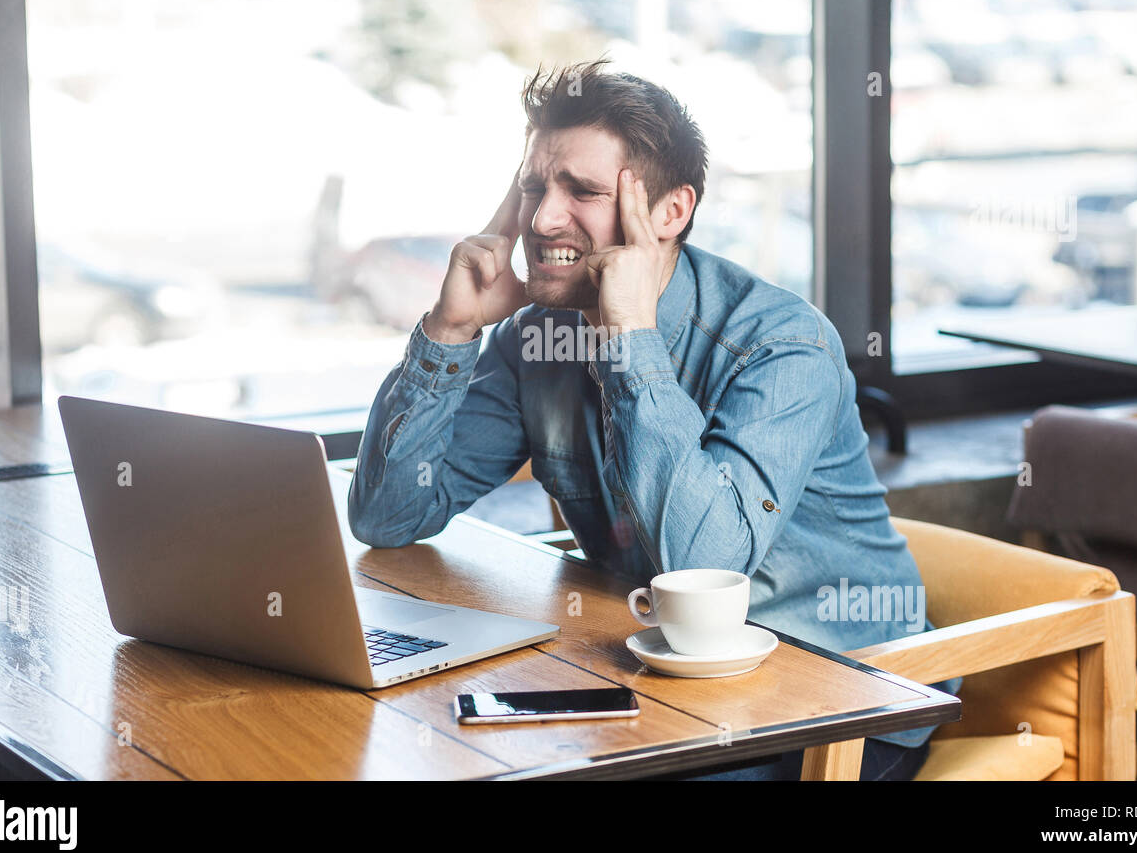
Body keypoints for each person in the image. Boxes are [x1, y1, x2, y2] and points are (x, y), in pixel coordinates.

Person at [349, 59, 959, 780]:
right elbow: (387, 518)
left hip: (837, 698)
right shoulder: (534, 339)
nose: (543, 219)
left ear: (670, 213)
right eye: (533, 186)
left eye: (581, 191)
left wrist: (629, 338)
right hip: (658, 678)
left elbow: (705, 568)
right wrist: (448, 334)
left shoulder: (782, 345)